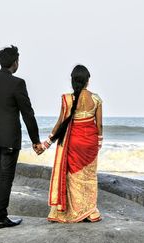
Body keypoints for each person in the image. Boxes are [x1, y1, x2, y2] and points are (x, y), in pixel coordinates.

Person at [0, 45, 44, 229]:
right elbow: (27, 114)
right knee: (5, 177)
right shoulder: (17, 83)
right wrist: (36, 141)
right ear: (15, 62)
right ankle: (0, 217)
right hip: (9, 140)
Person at [43, 65, 103, 223]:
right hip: (90, 142)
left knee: (72, 177)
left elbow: (60, 123)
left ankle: (73, 211)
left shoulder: (68, 99)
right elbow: (99, 125)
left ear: (73, 81)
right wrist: (99, 142)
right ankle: (90, 212)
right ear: (87, 81)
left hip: (74, 142)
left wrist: (46, 143)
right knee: (89, 177)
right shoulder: (96, 98)